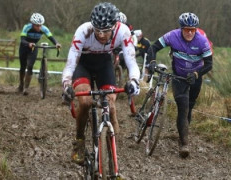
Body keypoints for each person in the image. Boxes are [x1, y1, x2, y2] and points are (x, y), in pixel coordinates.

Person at [62, 2, 140, 165]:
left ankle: (112, 149)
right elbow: (71, 63)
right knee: (85, 102)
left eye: (106, 31)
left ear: (115, 25)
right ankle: (80, 141)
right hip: (83, 64)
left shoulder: (123, 31)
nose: (101, 35)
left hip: (104, 63)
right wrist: (66, 85)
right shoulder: (83, 31)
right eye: (97, 30)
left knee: (110, 105)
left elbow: (131, 61)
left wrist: (134, 81)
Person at [146, 12, 213, 158]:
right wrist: (151, 62)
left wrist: (196, 74)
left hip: (195, 77)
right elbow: (153, 47)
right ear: (181, 28)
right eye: (187, 29)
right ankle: (184, 144)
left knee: (189, 109)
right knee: (183, 107)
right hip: (178, 77)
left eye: (193, 30)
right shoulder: (172, 36)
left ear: (196, 29)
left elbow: (209, 65)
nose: (189, 32)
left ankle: (183, 133)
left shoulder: (202, 41)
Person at [17, 13, 61, 95]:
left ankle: (26, 88)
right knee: (23, 67)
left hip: (33, 48)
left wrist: (56, 43)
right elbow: (22, 40)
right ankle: (21, 84)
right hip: (24, 47)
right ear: (32, 24)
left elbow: (51, 37)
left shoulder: (44, 29)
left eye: (40, 25)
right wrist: (28, 43)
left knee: (30, 66)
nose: (39, 27)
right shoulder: (27, 27)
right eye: (37, 25)